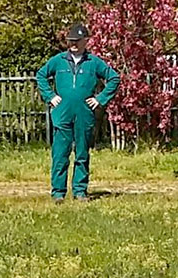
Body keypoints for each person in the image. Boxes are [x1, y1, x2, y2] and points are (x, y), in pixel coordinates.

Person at [36, 23, 120, 202]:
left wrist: (99, 99)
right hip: (62, 113)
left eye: (77, 41)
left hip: (84, 113)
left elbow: (114, 78)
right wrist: (50, 96)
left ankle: (80, 191)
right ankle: (58, 193)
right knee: (60, 154)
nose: (73, 44)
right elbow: (41, 75)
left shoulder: (93, 62)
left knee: (82, 153)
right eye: (70, 41)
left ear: (85, 41)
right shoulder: (58, 60)